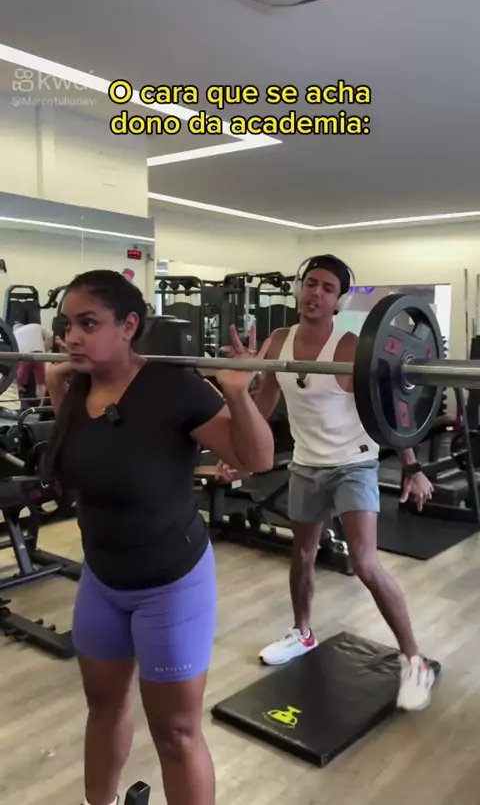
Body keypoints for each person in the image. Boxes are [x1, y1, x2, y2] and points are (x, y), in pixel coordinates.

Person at [43, 269, 274, 805]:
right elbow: (92, 459)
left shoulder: (175, 387)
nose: (72, 337)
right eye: (68, 325)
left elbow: (257, 458)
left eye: (88, 324)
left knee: (176, 731)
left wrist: (237, 392)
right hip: (102, 581)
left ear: (129, 326)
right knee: (103, 709)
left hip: (171, 585)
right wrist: (57, 384)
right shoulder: (73, 387)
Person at [216, 254, 436, 712]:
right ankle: (303, 632)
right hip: (306, 463)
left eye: (327, 288)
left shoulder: (350, 347)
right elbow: (266, 400)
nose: (315, 293)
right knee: (302, 555)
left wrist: (412, 467)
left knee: (366, 563)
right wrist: (238, 453)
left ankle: (413, 659)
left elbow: (388, 410)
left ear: (339, 300)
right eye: (311, 283)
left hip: (354, 463)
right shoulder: (279, 340)